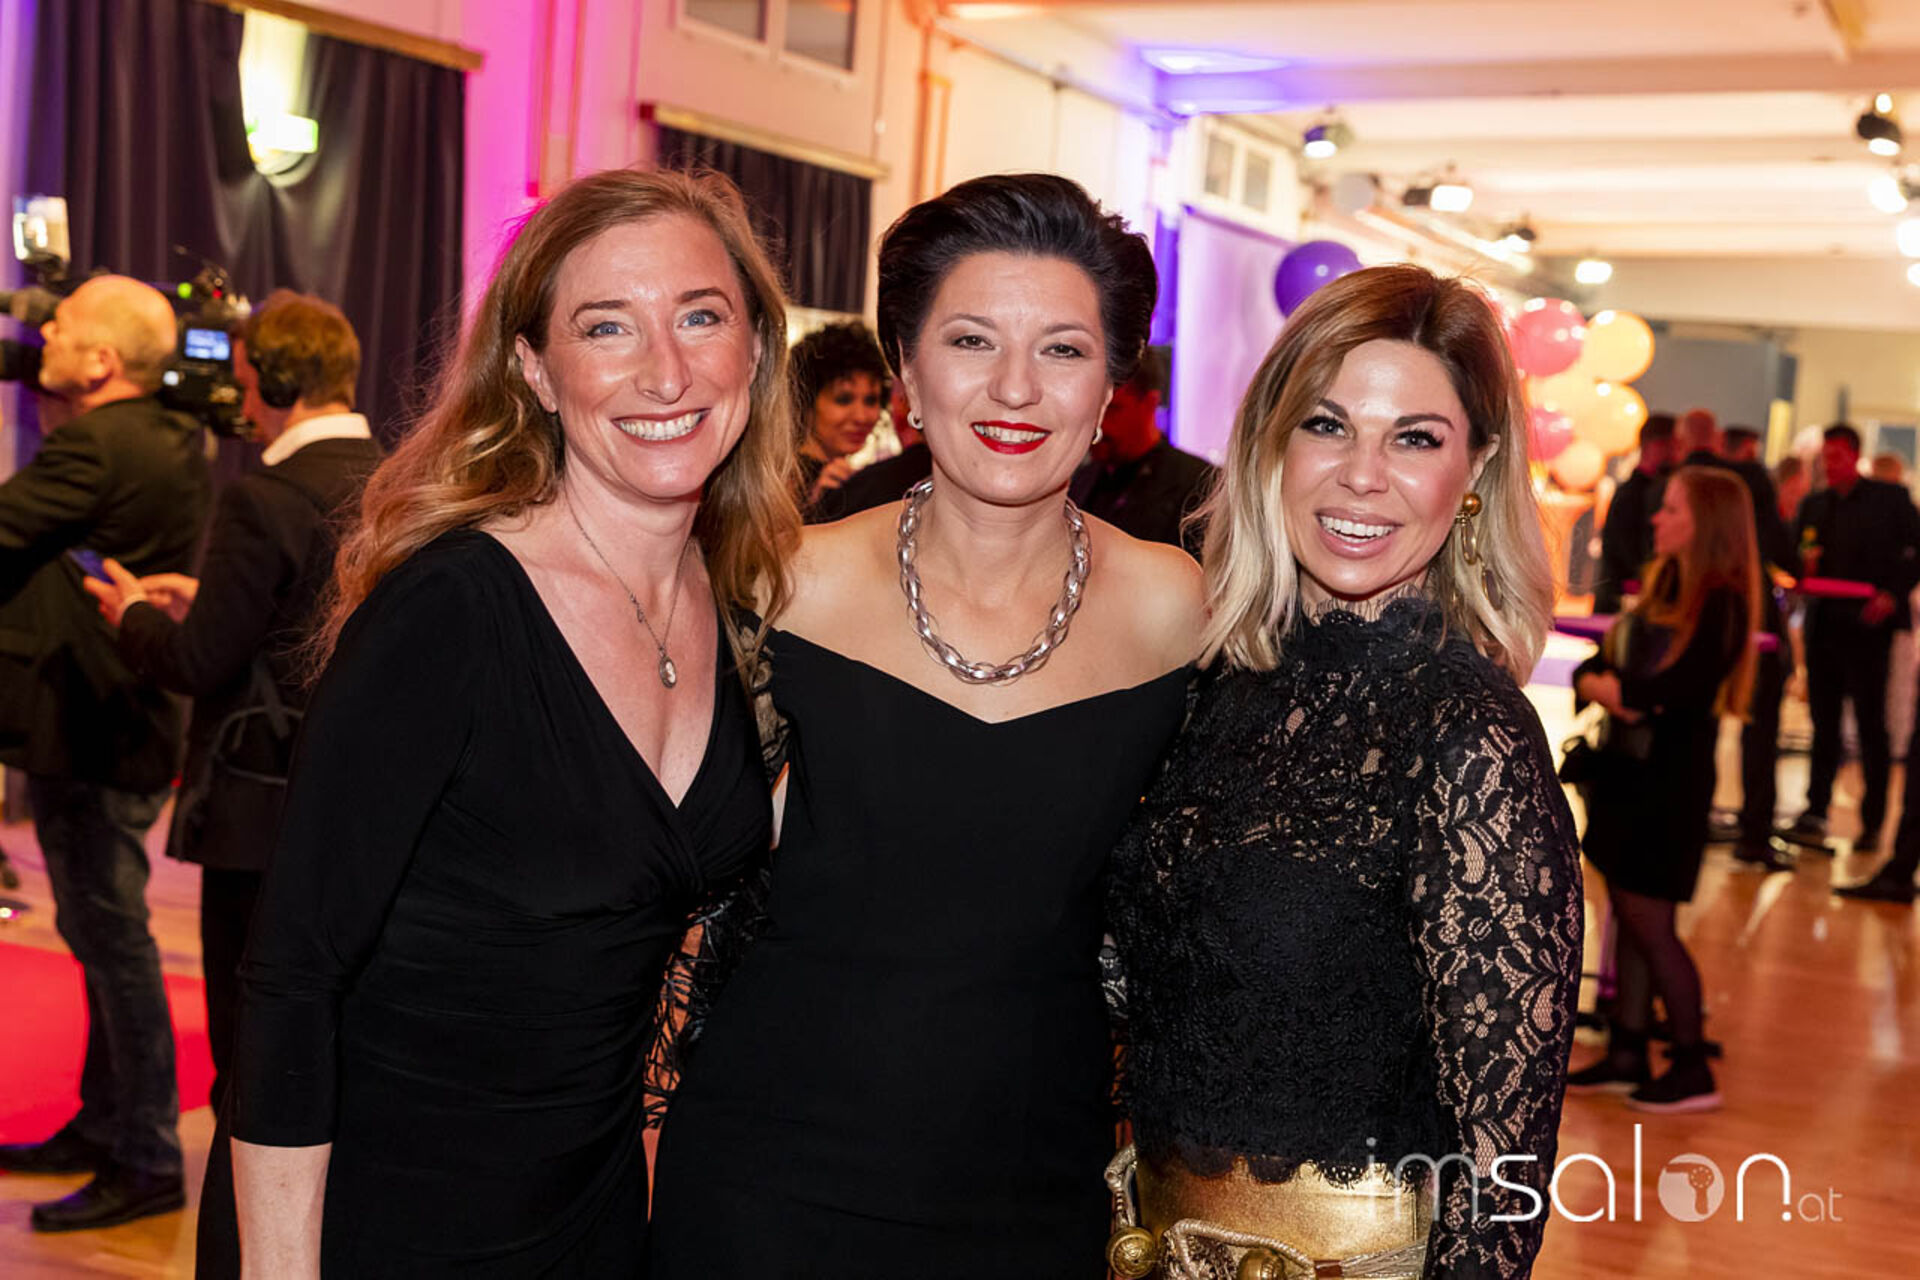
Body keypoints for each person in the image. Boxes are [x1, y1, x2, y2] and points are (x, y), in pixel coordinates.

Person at [220, 168, 798, 1276]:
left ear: (757, 349)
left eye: (700, 317)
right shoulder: (450, 610)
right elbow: (292, 976)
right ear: (535, 369)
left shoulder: (742, 606)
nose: (664, 371)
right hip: (381, 1214)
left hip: (591, 1211)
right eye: (606, 326)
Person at [648, 173, 1204, 1278]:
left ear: (1112, 384)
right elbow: (679, 885)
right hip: (770, 1170)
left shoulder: (1176, 607)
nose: (1015, 388)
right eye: (970, 340)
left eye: (1062, 349)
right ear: (906, 368)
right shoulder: (783, 579)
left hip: (1036, 1182)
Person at [1107, 265, 1582, 1279]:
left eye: (1415, 438)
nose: (1363, 475)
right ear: (1269, 447)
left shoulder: (1467, 731)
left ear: (1476, 471)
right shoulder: (1212, 686)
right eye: (1327, 425)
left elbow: (1502, 1169)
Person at [82, 290, 384, 1116]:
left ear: (279, 383)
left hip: (261, 811)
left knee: (248, 1056)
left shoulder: (264, 497)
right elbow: (303, 624)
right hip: (359, 806)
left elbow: (196, 662)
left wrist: (133, 615)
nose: (240, 398)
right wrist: (209, 601)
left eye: (247, 379)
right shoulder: (394, 480)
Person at [0, 276, 211, 1232]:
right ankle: (101, 1125)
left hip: (87, 724)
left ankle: (146, 1156)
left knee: (114, 944)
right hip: (120, 716)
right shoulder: (172, 434)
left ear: (101, 361)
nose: (43, 328)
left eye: (65, 323)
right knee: (101, 937)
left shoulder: (94, 444)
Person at [1568, 466, 1760, 1112]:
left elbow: (1669, 693)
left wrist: (1616, 689)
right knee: (1629, 913)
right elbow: (1606, 671)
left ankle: (1690, 1062)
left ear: (1705, 524)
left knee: (1651, 922)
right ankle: (1627, 1049)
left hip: (1668, 784)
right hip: (1630, 775)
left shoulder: (1721, 601)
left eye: (1672, 509)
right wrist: (1610, 687)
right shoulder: (1666, 584)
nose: (1657, 518)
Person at [1780, 423, 1920, 854]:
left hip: (1867, 629)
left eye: (1837, 457)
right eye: (1825, 458)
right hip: (1825, 624)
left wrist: (1892, 594)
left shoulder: (1888, 500)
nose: (1829, 465)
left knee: (1871, 725)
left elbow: (1915, 552)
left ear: (1855, 456)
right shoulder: (1815, 505)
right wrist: (1803, 572)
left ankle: (1873, 821)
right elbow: (1797, 559)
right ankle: (1815, 811)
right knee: (1823, 723)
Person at [1671, 407, 1797, 870]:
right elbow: (1780, 549)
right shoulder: (1748, 482)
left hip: (1692, 611)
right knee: (1759, 725)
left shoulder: (1678, 479)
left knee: (1693, 724)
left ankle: (1690, 820)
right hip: (1748, 615)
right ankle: (1754, 834)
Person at [1068, 346, 1215, 557]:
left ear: (1150, 403)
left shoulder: (1198, 484)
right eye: (1090, 411)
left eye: (1112, 410)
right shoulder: (1081, 479)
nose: (1097, 426)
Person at [790, 319, 888, 514]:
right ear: (806, 402)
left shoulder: (841, 477)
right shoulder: (783, 480)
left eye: (871, 400)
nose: (861, 417)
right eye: (843, 400)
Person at [1592, 412, 1675, 613]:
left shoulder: (1640, 489)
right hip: (1620, 603)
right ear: (1657, 446)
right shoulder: (1633, 493)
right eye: (1675, 446)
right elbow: (1625, 551)